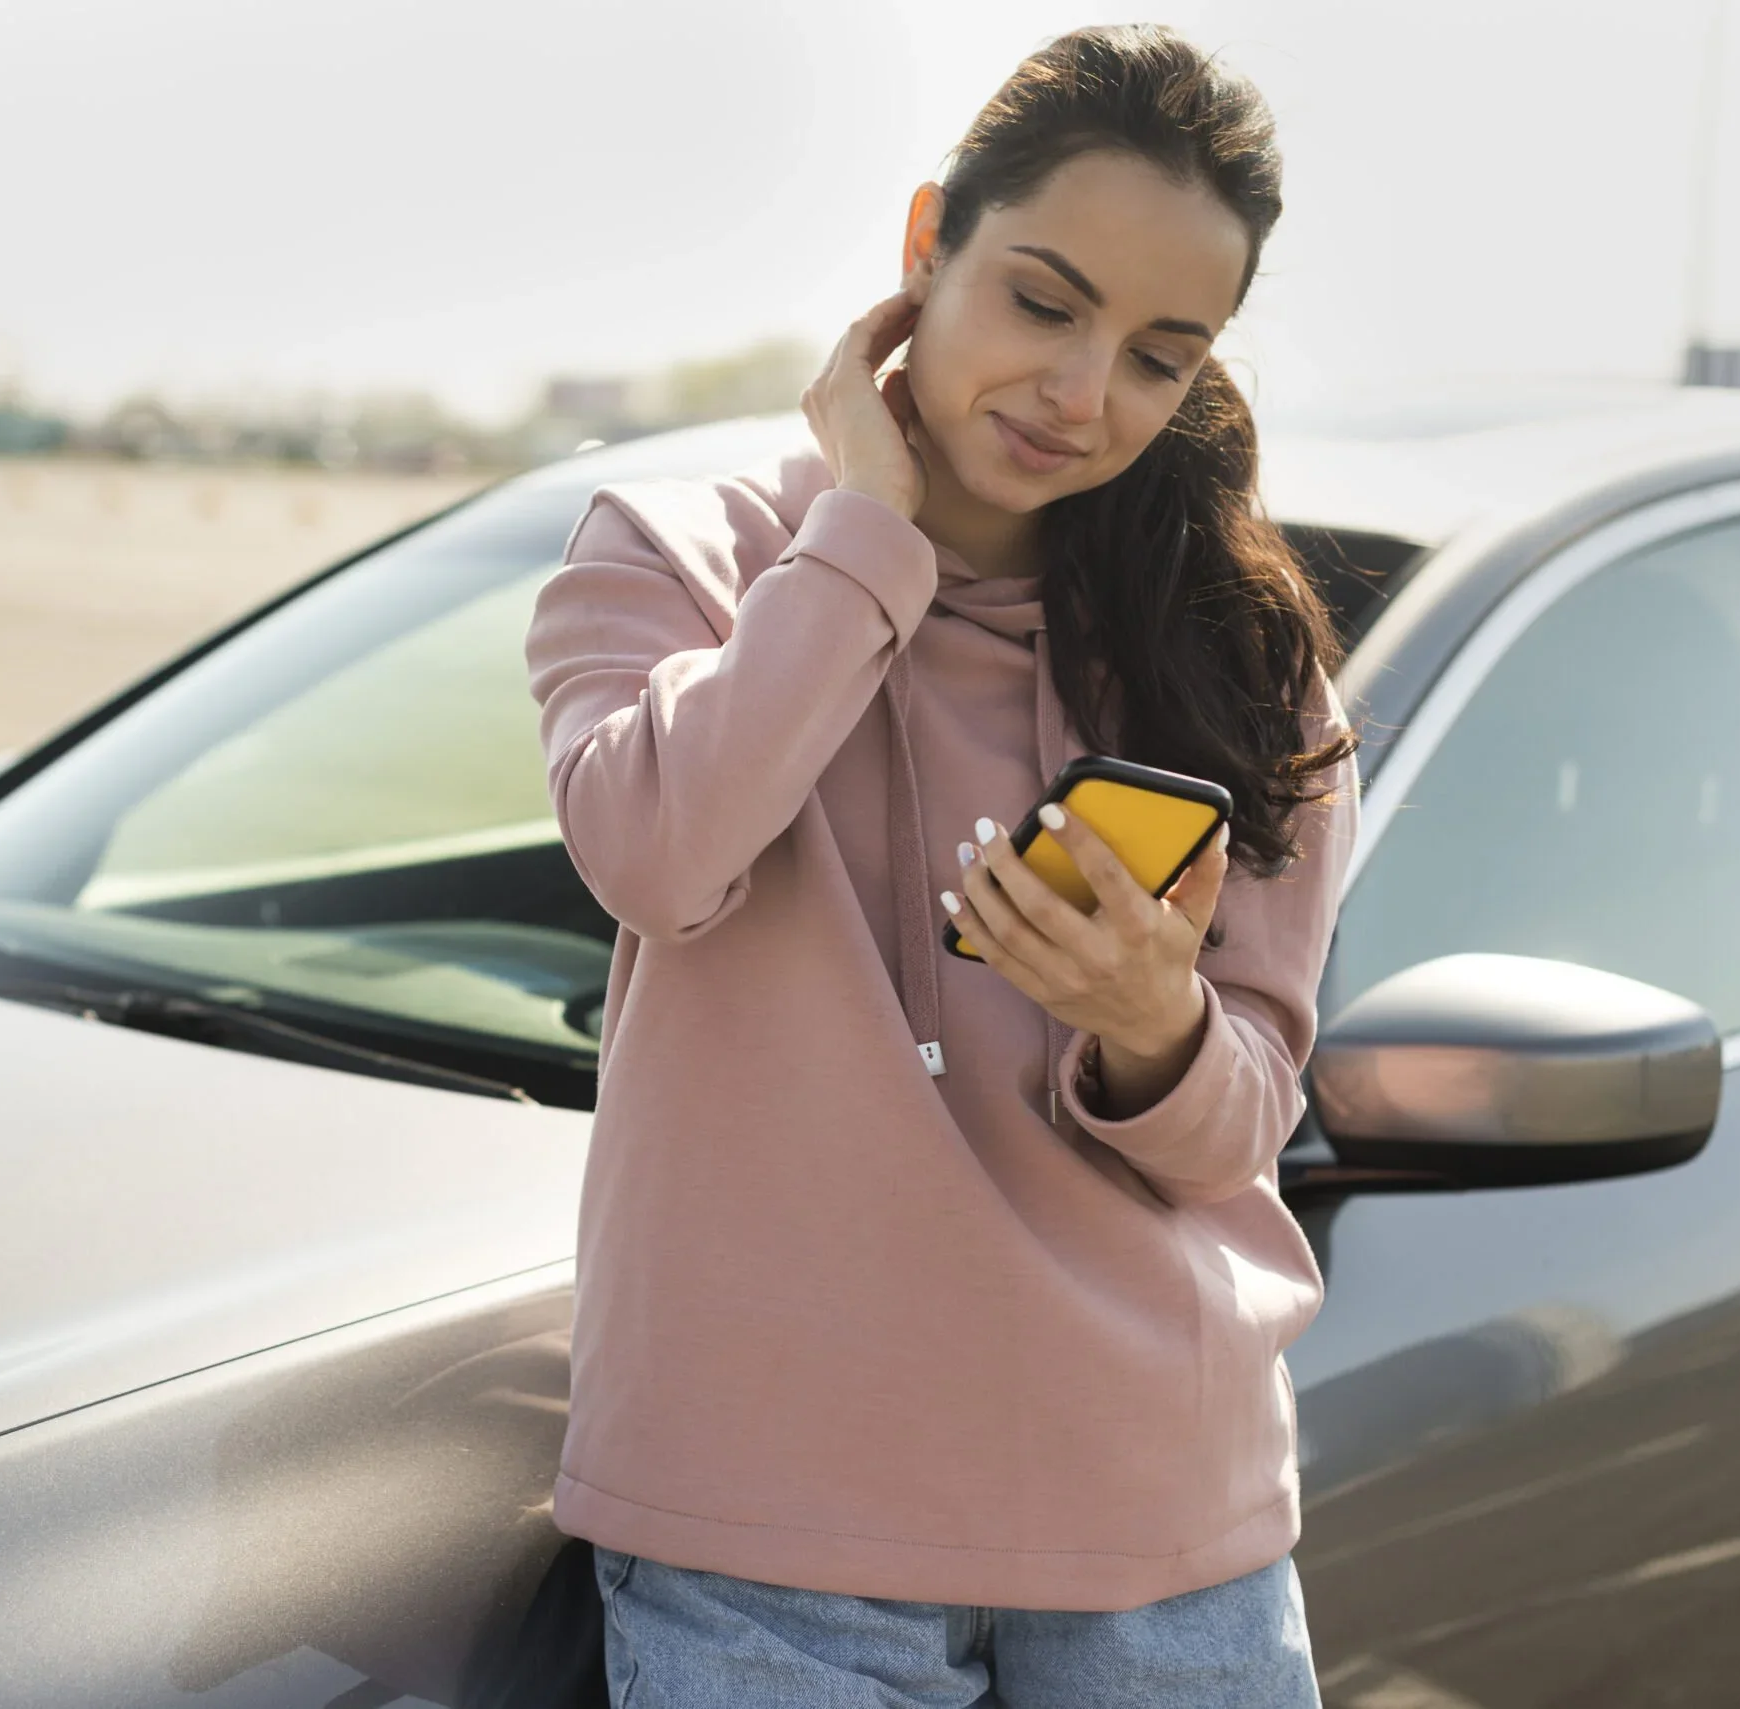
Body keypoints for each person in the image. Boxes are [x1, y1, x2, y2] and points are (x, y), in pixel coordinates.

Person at [520, 22, 1360, 1707]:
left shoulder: (1241, 662)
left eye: (1158, 354)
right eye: (1046, 303)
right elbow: (658, 857)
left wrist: (1152, 1022)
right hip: (764, 1529)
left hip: (1160, 1532)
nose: (1082, 393)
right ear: (926, 248)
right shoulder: (674, 558)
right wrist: (865, 535)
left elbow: (1245, 1120)